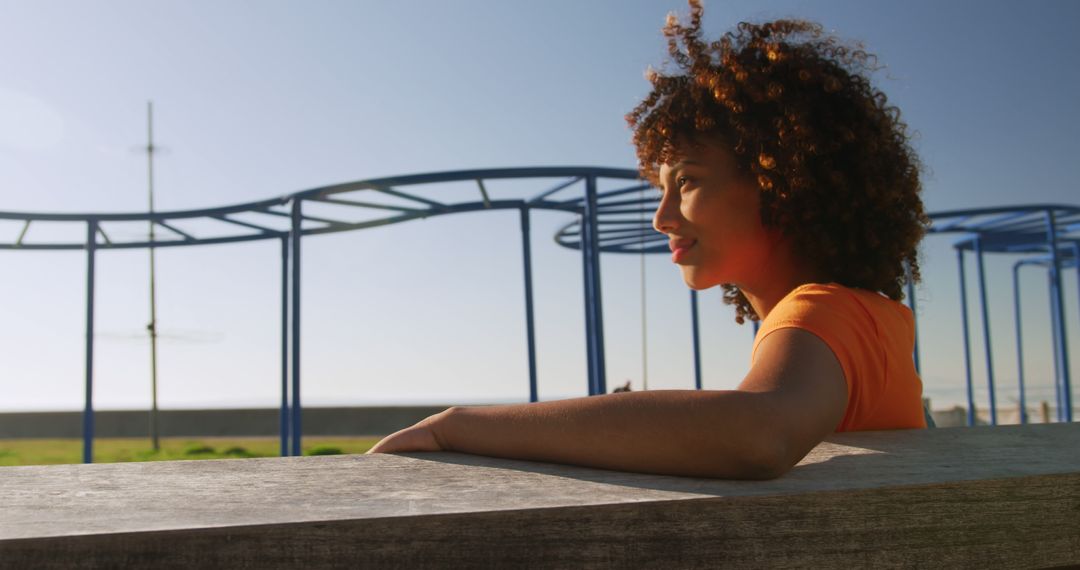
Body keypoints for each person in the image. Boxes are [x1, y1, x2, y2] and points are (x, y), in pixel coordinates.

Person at [368, 0, 929, 480]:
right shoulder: (869, 318)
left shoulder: (822, 313)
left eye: (686, 182)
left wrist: (458, 427)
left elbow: (760, 432)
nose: (661, 217)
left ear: (782, 182)